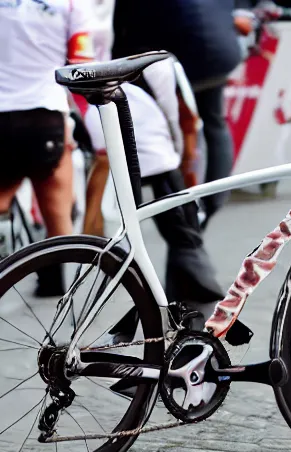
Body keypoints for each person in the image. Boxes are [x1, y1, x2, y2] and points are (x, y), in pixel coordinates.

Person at [83, 0, 224, 312]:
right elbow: (183, 121)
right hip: (156, 155)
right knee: (182, 229)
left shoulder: (97, 61)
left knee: (119, 231)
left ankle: (108, 287)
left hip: (106, 153)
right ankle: (189, 291)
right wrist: (186, 160)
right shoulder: (161, 62)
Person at [112, 0, 254, 229]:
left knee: (171, 132)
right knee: (214, 124)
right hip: (218, 53)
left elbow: (125, 23)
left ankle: (182, 215)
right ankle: (207, 207)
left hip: (177, 56)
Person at [0, 0, 95, 296]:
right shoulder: (70, 4)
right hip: (46, 117)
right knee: (58, 218)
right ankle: (51, 283)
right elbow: (83, 68)